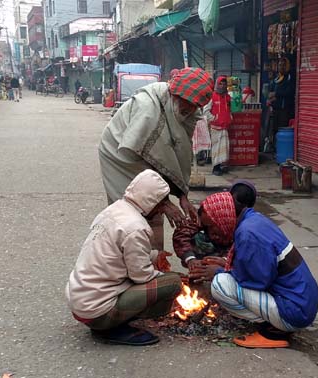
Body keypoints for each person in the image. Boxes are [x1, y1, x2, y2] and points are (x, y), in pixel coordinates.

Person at [98, 67, 215, 248]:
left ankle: (154, 254)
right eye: (188, 104)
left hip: (145, 157)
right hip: (121, 155)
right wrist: (164, 201)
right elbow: (141, 158)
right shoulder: (148, 109)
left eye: (196, 106)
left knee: (154, 208)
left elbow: (180, 152)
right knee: (130, 209)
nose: (191, 109)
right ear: (175, 95)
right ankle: (124, 255)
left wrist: (182, 194)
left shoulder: (189, 112)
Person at [66, 170, 183, 346]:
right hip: (97, 313)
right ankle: (111, 327)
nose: (160, 211)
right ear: (151, 202)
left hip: (80, 303)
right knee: (173, 282)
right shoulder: (137, 227)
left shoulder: (114, 210)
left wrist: (154, 256)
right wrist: (164, 275)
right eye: (160, 205)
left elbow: (119, 253)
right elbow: (141, 276)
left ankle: (109, 322)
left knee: (160, 275)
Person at [189, 192, 318, 349]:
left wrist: (219, 272)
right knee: (224, 278)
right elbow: (260, 267)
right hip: (301, 302)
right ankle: (275, 321)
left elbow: (257, 282)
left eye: (210, 226)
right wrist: (226, 265)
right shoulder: (253, 219)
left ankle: (275, 330)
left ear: (222, 217)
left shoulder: (247, 234)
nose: (210, 233)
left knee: (220, 285)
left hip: (295, 312)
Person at [173, 180, 257, 269]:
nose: (237, 207)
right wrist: (190, 258)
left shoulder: (245, 230)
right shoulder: (210, 211)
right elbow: (182, 233)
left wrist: (225, 261)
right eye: (234, 201)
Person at [206, 76, 232, 176]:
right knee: (216, 148)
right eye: (220, 83)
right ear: (217, 84)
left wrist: (230, 118)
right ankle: (215, 168)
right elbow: (206, 110)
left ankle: (220, 166)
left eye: (224, 83)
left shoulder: (227, 97)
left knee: (224, 148)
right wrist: (214, 118)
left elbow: (229, 109)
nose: (223, 85)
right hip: (215, 127)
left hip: (224, 127)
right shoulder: (212, 96)